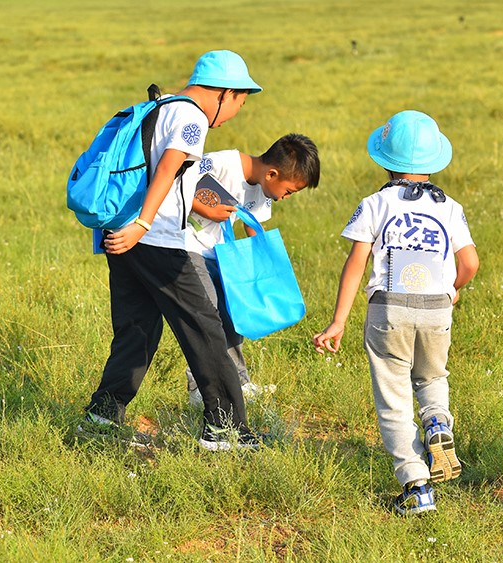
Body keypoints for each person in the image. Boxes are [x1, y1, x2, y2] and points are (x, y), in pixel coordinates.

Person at [78, 50, 264, 451]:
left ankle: (101, 417)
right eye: (241, 103)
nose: (236, 111)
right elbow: (168, 167)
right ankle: (225, 430)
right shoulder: (192, 116)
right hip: (156, 238)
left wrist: (134, 226)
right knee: (205, 329)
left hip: (121, 233)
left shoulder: (159, 106)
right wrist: (144, 223)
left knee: (138, 330)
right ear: (225, 93)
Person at [312, 111, 479, 515]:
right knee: (432, 376)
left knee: (394, 400)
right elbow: (470, 262)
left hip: (389, 309)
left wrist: (339, 320)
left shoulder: (375, 203)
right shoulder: (450, 208)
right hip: (437, 309)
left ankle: (416, 487)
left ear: (384, 160)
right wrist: (452, 289)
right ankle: (438, 420)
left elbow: (355, 264)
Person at [181, 134, 321, 406]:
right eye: (289, 191)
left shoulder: (263, 188)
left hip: (219, 253)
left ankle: (238, 382)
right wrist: (202, 209)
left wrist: (264, 271)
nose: (285, 198)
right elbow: (175, 185)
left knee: (232, 314)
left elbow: (252, 225)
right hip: (187, 246)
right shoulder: (221, 163)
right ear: (272, 173)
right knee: (207, 315)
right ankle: (200, 389)